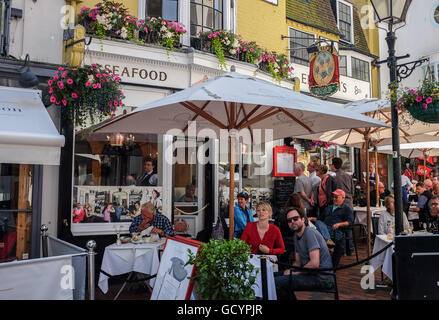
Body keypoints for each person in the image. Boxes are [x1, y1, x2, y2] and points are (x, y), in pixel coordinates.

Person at [274, 207, 334, 300]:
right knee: (273, 277)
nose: (292, 222)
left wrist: (295, 272)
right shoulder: (296, 235)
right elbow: (297, 262)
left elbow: (314, 264)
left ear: (303, 219)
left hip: (322, 278)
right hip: (309, 274)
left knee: (276, 282)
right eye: (289, 220)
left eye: (295, 218)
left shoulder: (309, 232)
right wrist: (291, 271)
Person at [314, 189, 354, 267]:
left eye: (337, 197)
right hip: (325, 230)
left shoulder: (346, 209)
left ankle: (327, 242)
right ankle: (328, 241)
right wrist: (310, 219)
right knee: (317, 223)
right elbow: (319, 219)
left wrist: (339, 224)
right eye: (334, 197)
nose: (334, 199)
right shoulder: (328, 208)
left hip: (336, 230)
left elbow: (350, 222)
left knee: (318, 233)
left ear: (343, 198)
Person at [331, 157, 355, 255]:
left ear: (333, 165)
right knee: (348, 226)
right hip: (349, 203)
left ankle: (343, 251)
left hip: (340, 204)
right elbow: (353, 191)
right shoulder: (348, 176)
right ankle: (351, 249)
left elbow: (332, 193)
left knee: (340, 227)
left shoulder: (334, 177)